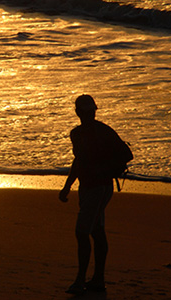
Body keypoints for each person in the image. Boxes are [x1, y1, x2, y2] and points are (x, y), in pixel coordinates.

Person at [59, 94, 131, 295]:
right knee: (96, 231)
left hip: (100, 189)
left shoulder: (104, 131)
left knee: (82, 232)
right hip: (86, 188)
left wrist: (103, 170)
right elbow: (78, 162)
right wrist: (67, 187)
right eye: (86, 111)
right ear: (79, 113)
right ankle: (97, 280)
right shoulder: (77, 134)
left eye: (91, 111)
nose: (89, 114)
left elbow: (127, 155)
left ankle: (80, 280)